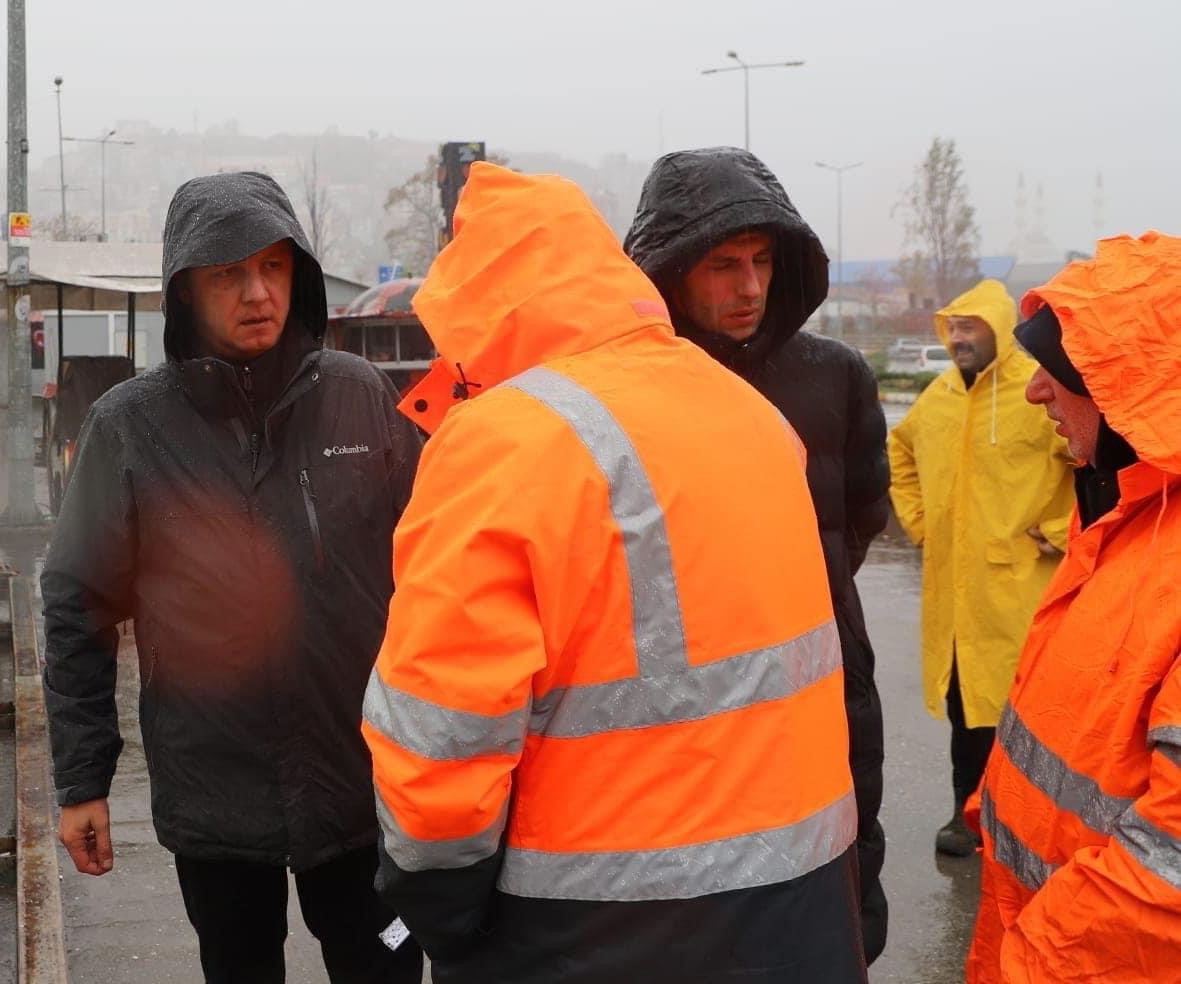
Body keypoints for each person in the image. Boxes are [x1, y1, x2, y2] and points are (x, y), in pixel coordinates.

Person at [362, 163, 866, 982]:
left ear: (474, 304)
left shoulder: (502, 440)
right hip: (802, 900)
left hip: (595, 927)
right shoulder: (747, 410)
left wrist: (437, 904)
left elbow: (442, 730)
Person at [41, 171, 424, 984]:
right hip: (215, 800)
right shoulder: (130, 428)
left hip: (364, 789)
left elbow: (440, 578)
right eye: (228, 274)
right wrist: (83, 781)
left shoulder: (361, 401)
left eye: (274, 268)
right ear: (186, 293)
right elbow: (77, 605)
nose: (258, 293)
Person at [623, 146, 891, 962]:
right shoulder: (626, 390)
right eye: (722, 265)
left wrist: (794, 603)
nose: (748, 287)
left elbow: (860, 514)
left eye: (763, 261)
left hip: (826, 675)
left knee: (837, 887)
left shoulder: (834, 376)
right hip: (683, 703)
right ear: (668, 272)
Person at [966, 231, 1181, 982]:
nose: (1035, 390)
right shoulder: (1121, 518)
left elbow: (1168, 879)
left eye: (1062, 368)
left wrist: (1025, 964)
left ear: (1136, 388)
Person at [887, 278, 1075, 856]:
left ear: (998, 328)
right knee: (965, 712)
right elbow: (902, 451)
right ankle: (964, 816)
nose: (960, 339)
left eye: (971, 327)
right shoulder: (940, 396)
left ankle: (1025, 820)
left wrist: (1064, 530)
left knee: (1026, 711)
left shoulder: (1037, 390)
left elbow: (1090, 459)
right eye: (954, 328)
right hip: (957, 593)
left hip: (1022, 587)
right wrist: (921, 526)